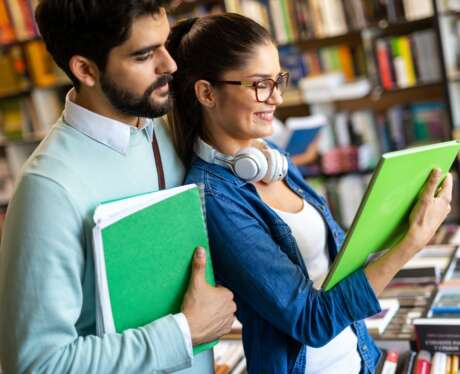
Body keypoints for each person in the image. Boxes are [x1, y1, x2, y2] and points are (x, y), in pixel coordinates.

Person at [166, 13, 453, 374]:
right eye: (260, 85)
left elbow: (338, 262)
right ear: (207, 92)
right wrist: (409, 244)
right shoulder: (215, 198)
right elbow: (310, 321)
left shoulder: (274, 159)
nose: (277, 97)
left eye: (278, 80)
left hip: (358, 358)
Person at [0, 1, 236, 373]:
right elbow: (37, 365)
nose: (169, 65)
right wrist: (184, 331)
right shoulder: (47, 189)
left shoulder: (165, 128)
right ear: (85, 69)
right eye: (144, 56)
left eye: (165, 44)